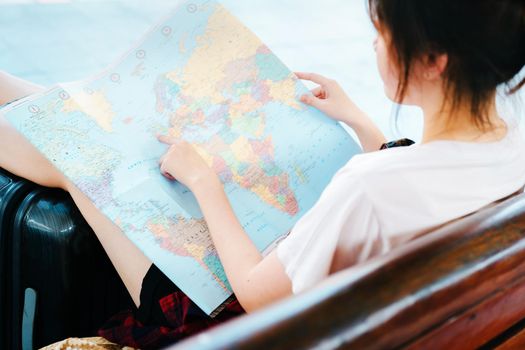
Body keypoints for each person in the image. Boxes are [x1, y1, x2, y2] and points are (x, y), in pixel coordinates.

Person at [1, 0, 524, 348]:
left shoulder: (368, 187)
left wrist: (204, 180)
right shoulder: (510, 150)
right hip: (362, 306)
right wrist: (362, 123)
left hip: (236, 323)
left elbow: (255, 294)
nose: (375, 46)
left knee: (91, 156)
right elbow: (419, 177)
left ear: (432, 60)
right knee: (97, 120)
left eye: (383, 33)